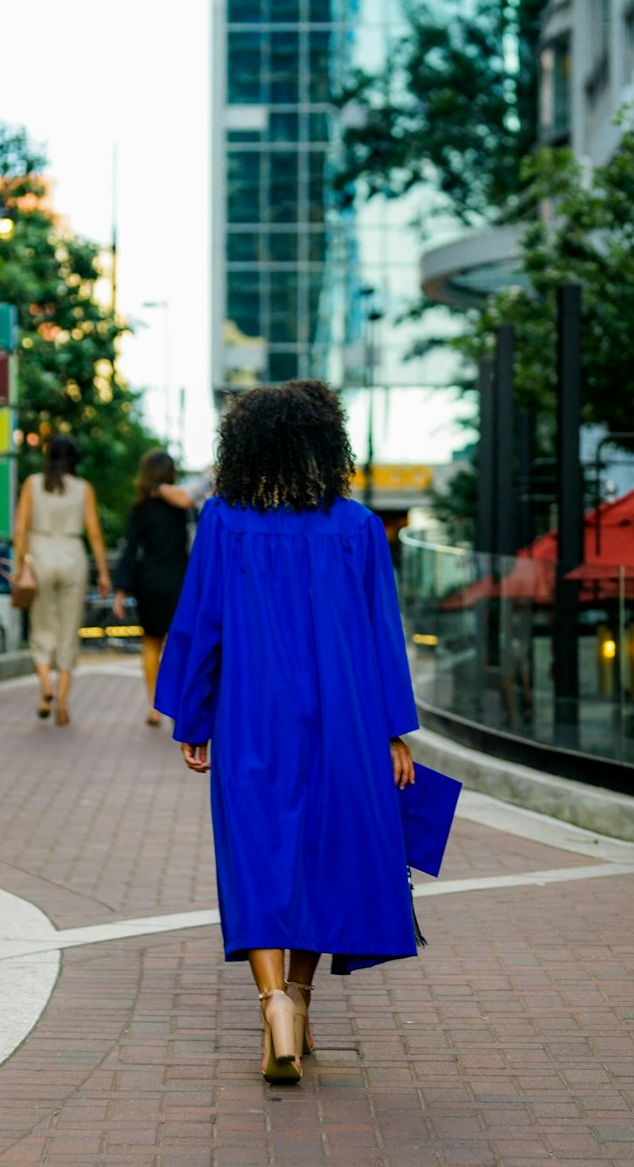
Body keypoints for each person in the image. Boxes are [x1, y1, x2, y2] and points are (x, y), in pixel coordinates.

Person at [154, 380, 420, 1084]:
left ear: (244, 447)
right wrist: (394, 731)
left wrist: (193, 715)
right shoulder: (358, 527)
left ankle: (271, 1002)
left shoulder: (223, 520)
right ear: (326, 446)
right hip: (347, 718)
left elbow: (201, 623)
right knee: (323, 859)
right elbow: (379, 635)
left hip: (251, 714)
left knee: (259, 854)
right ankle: (299, 1001)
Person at [13, 434, 111, 726]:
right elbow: (94, 533)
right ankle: (64, 703)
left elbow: (21, 529)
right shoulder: (83, 489)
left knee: (42, 626)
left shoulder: (32, 484)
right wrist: (103, 572)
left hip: (40, 556)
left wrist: (20, 567)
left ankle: (45, 686)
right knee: (69, 629)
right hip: (72, 557)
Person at [112, 450, 194, 726]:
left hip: (149, 582)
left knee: (150, 642)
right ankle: (176, 702)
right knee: (178, 643)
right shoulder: (182, 507)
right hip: (179, 581)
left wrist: (121, 591)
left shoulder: (138, 510)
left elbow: (131, 551)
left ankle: (154, 706)